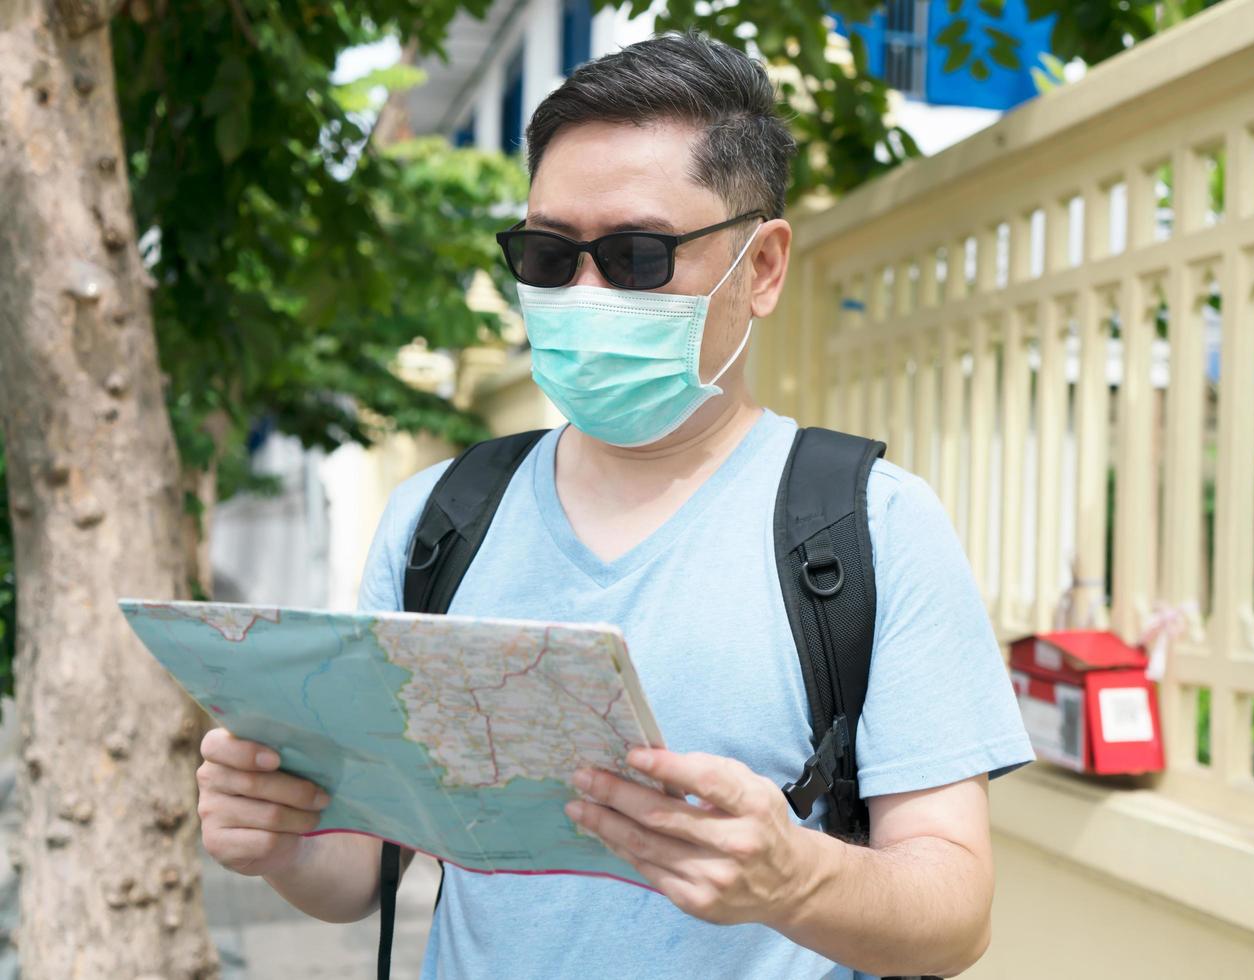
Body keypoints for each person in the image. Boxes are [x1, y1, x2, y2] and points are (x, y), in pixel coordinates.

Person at [194, 31, 1033, 979]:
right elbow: (360, 872)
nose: (583, 295)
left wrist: (796, 879)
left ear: (760, 268)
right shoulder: (439, 520)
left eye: (635, 255)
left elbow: (955, 912)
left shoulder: (869, 527)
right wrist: (277, 838)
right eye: (549, 257)